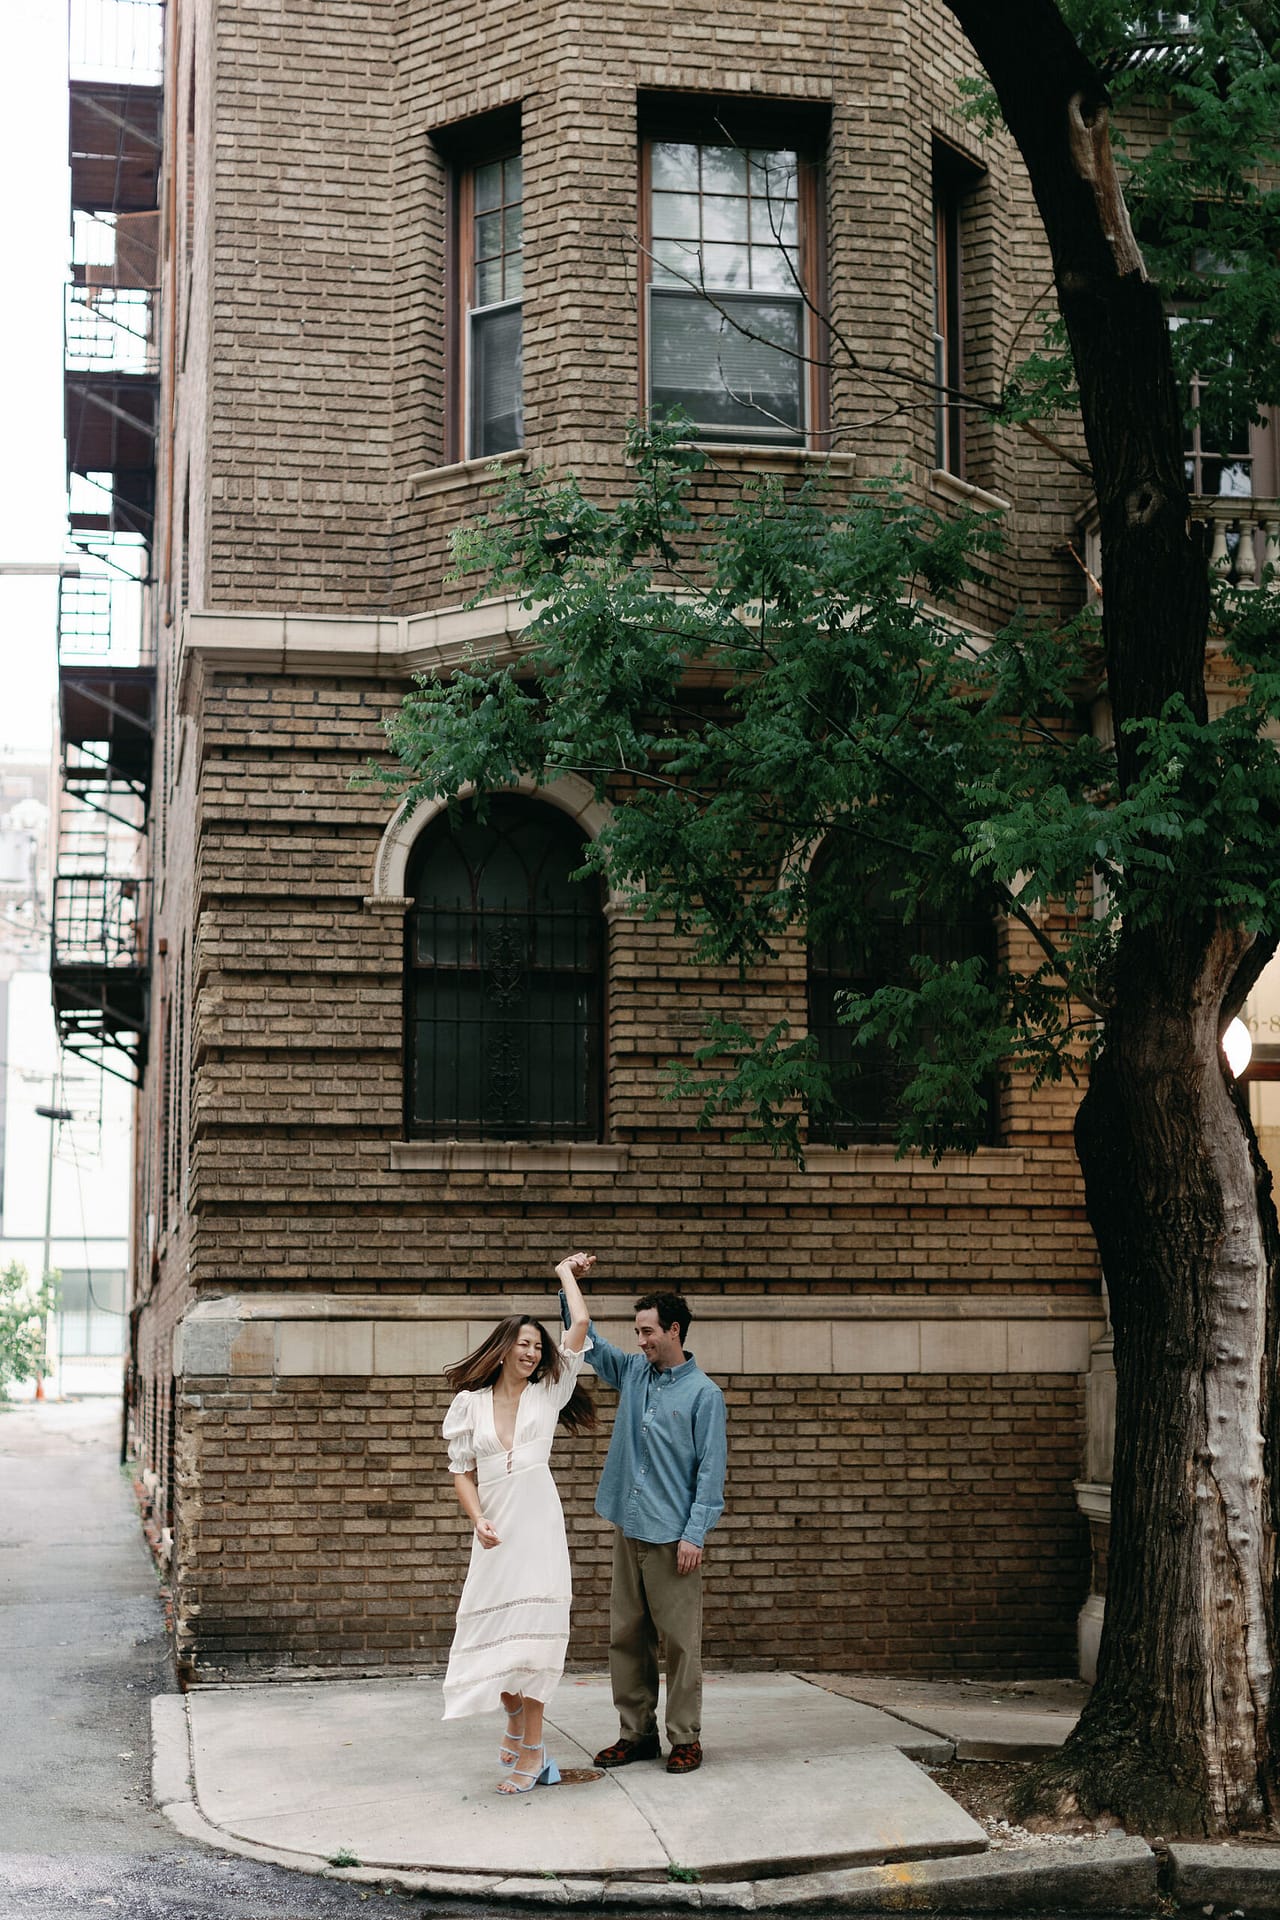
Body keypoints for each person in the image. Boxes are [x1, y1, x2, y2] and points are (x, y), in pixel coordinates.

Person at [441, 1252, 596, 1793]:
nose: (532, 1353)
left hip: (539, 1531)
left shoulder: (549, 1395)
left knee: (534, 1643)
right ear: (504, 1349)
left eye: (537, 1346)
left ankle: (533, 1750)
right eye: (523, 1344)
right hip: (496, 1534)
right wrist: (478, 1518)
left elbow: (579, 1325)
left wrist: (564, 1275)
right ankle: (514, 1720)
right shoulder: (469, 1404)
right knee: (495, 1636)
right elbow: (462, 1473)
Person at [563, 1270, 726, 1775]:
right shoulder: (633, 1373)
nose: (640, 1340)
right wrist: (565, 1278)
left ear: (674, 1330)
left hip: (673, 1537)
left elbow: (710, 1472)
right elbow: (581, 1338)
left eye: (648, 1331)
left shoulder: (704, 1395)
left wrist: (694, 1535)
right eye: (637, 1332)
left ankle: (685, 1738)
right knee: (626, 1636)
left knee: (679, 1643)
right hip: (627, 1526)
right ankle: (636, 1734)